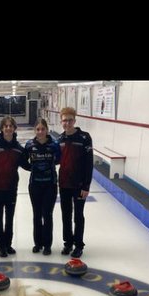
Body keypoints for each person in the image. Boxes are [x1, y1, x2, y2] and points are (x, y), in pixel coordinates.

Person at [0, 116, 28, 258]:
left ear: (14, 128)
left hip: (11, 189)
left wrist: (43, 164)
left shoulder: (18, 148)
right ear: (2, 128)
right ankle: (1, 246)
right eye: (6, 126)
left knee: (9, 218)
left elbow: (26, 164)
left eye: (11, 126)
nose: (8, 128)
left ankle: (8, 244)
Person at [58, 107, 93, 257]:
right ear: (61, 121)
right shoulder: (60, 140)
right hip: (64, 184)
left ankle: (78, 244)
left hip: (79, 185)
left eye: (70, 120)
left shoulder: (84, 138)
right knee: (66, 215)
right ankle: (68, 243)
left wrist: (86, 186)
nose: (67, 123)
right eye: (64, 120)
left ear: (75, 120)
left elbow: (89, 163)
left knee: (78, 215)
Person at [25, 118, 61, 255]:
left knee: (47, 215)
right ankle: (37, 243)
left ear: (47, 130)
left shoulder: (54, 145)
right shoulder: (29, 145)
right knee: (36, 215)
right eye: (38, 129)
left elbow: (58, 159)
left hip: (50, 185)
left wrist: (48, 168)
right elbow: (23, 160)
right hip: (35, 185)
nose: (40, 132)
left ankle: (47, 245)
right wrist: (33, 168)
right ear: (35, 130)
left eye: (43, 129)